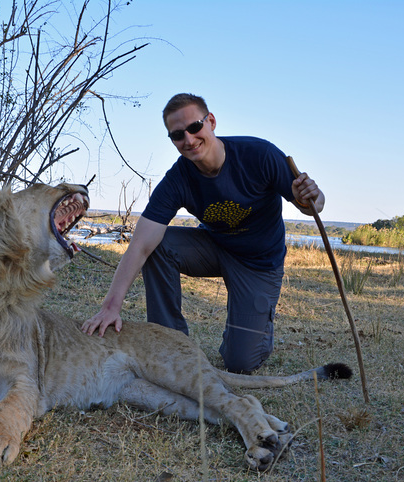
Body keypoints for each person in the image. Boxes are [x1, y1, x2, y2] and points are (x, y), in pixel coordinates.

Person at [81, 93, 325, 373]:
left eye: (195, 127)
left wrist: (311, 198)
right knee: (159, 244)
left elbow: (313, 205)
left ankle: (257, 332)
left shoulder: (260, 155)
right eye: (177, 135)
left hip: (258, 264)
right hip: (214, 247)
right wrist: (111, 306)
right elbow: (140, 245)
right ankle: (169, 344)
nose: (188, 139)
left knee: (240, 363)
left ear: (211, 122)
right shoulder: (177, 179)